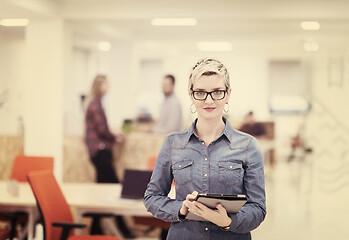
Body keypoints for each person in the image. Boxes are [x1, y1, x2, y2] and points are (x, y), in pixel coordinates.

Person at [144, 58, 266, 240]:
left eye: (217, 92)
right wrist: (182, 208)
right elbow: (152, 197)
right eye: (200, 92)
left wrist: (227, 221)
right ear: (191, 94)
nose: (209, 100)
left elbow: (258, 208)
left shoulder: (248, 145)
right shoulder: (172, 143)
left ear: (228, 94)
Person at [84, 74, 134, 238]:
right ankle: (124, 231)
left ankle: (94, 231)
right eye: (106, 84)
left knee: (101, 191)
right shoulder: (95, 105)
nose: (108, 87)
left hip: (98, 151)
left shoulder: (95, 103)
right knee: (115, 188)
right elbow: (102, 130)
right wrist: (115, 136)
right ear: (100, 86)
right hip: (100, 151)